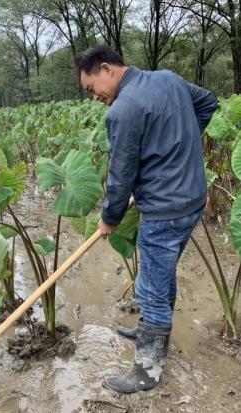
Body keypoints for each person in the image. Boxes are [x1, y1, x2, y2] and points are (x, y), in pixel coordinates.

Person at [76, 45, 218, 395]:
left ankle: (147, 371)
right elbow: (208, 103)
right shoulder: (168, 79)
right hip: (193, 198)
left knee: (151, 287)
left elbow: (120, 175)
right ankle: (151, 332)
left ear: (106, 69)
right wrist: (178, 149)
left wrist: (110, 217)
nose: (95, 98)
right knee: (161, 272)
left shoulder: (123, 110)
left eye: (92, 89)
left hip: (164, 209)